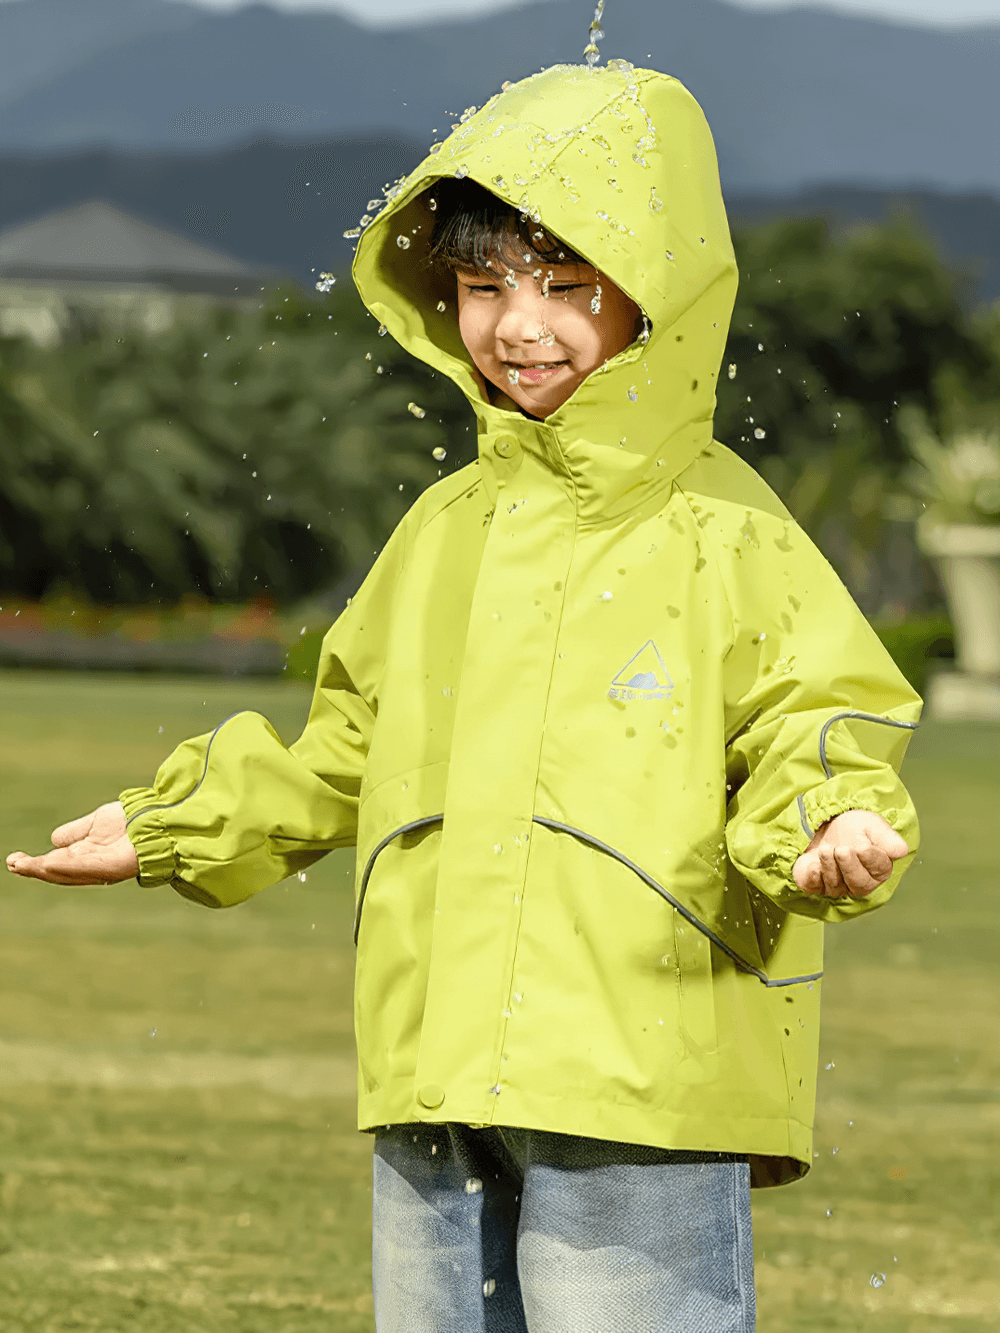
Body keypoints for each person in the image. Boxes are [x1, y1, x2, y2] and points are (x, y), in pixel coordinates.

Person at [7, 62, 920, 1333]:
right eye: (485, 286)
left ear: (658, 294)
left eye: (564, 284)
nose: (519, 325)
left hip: (639, 1069)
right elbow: (351, 744)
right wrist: (175, 828)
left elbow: (806, 717)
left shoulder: (726, 530)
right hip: (435, 1059)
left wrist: (828, 822)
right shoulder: (446, 525)